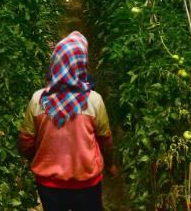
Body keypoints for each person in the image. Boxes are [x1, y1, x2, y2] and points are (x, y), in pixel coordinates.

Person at [18, 31, 117, 211]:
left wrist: (39, 157)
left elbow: (26, 142)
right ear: (82, 65)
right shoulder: (93, 101)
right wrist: (109, 165)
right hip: (87, 183)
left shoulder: (38, 100)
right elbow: (105, 140)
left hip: (49, 184)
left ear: (55, 63)